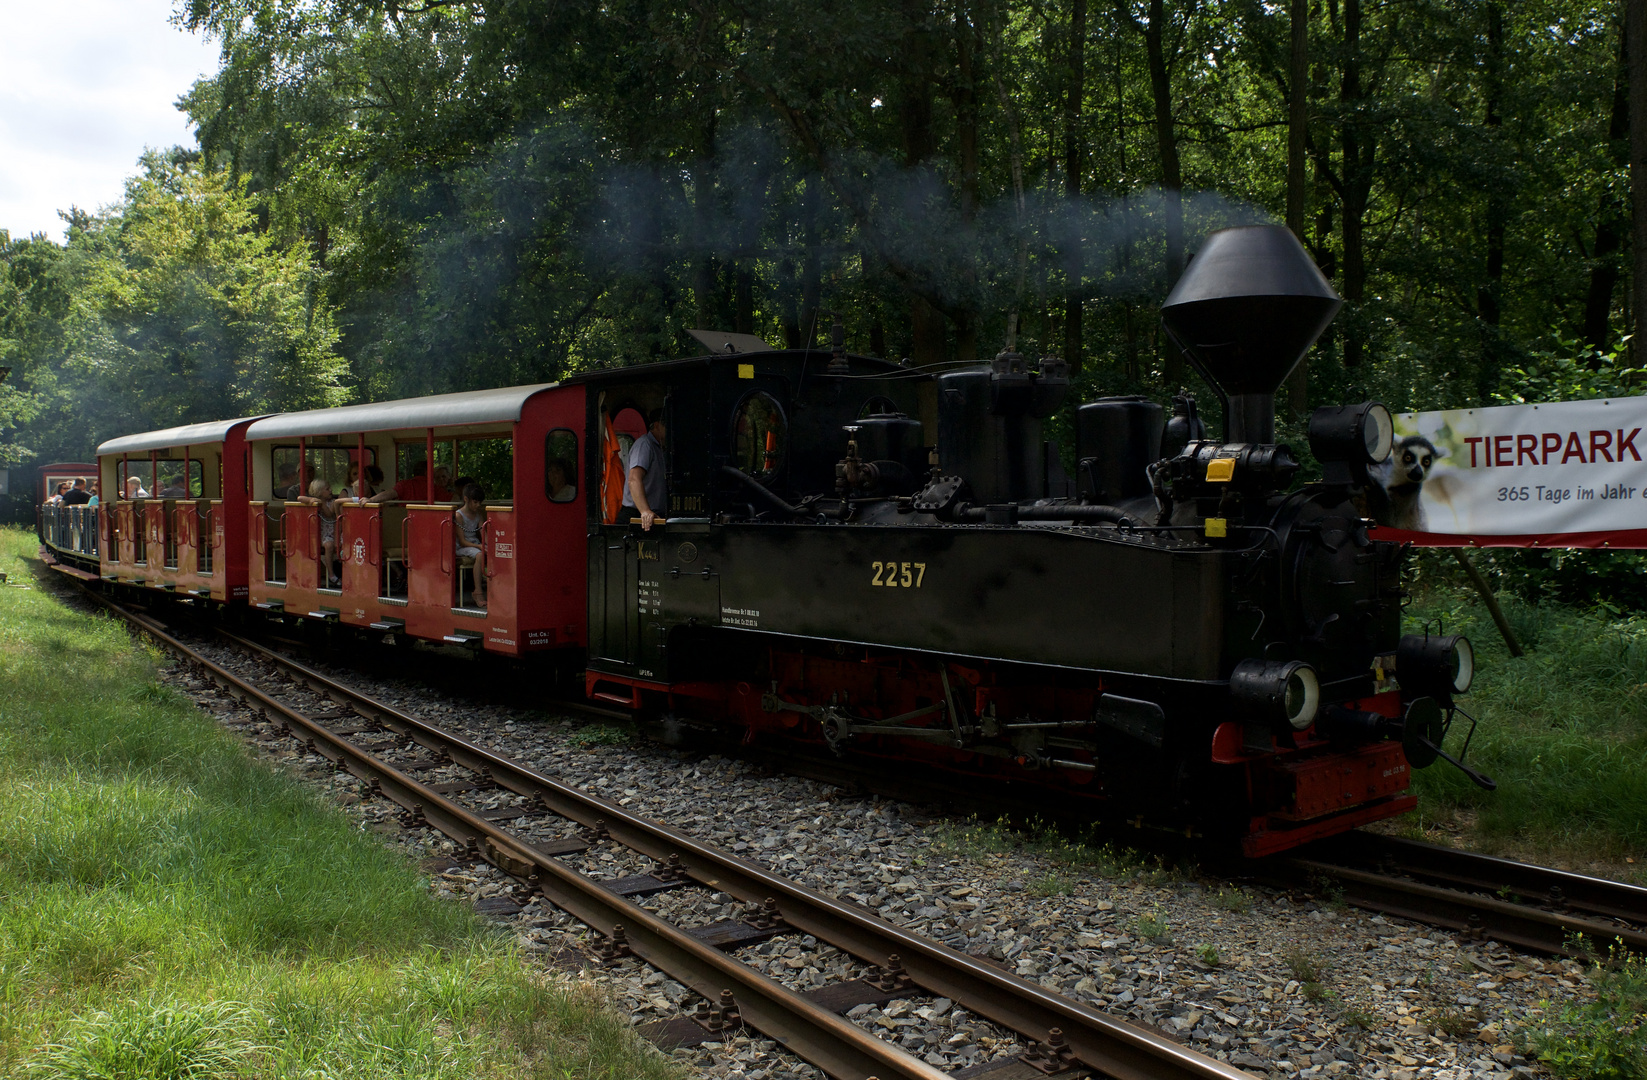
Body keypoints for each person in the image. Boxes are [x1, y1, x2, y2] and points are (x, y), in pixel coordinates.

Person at [621, 408, 667, 531]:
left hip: (652, 515)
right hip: (637, 515)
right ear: (657, 426)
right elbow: (634, 479)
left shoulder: (660, 449)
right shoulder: (644, 445)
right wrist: (645, 511)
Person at [296, 478, 341, 587]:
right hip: (323, 534)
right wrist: (311, 500)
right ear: (319, 492)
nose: (331, 490)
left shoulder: (331, 503)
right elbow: (300, 498)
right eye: (327, 489)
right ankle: (331, 574)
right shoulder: (316, 502)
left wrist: (322, 503)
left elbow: (330, 513)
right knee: (329, 546)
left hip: (335, 533)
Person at [454, 482, 487, 608]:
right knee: (479, 555)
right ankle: (478, 592)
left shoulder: (478, 515)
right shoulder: (459, 515)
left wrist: (491, 545)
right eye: (475, 502)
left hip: (475, 545)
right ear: (466, 499)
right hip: (463, 547)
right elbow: (462, 541)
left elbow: (484, 534)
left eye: (480, 502)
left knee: (494, 553)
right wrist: (480, 547)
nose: (478, 505)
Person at [365, 461, 452, 504]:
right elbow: (452, 500)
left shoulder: (404, 485)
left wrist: (371, 500)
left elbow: (389, 493)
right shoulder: (434, 487)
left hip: (406, 523)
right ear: (427, 472)